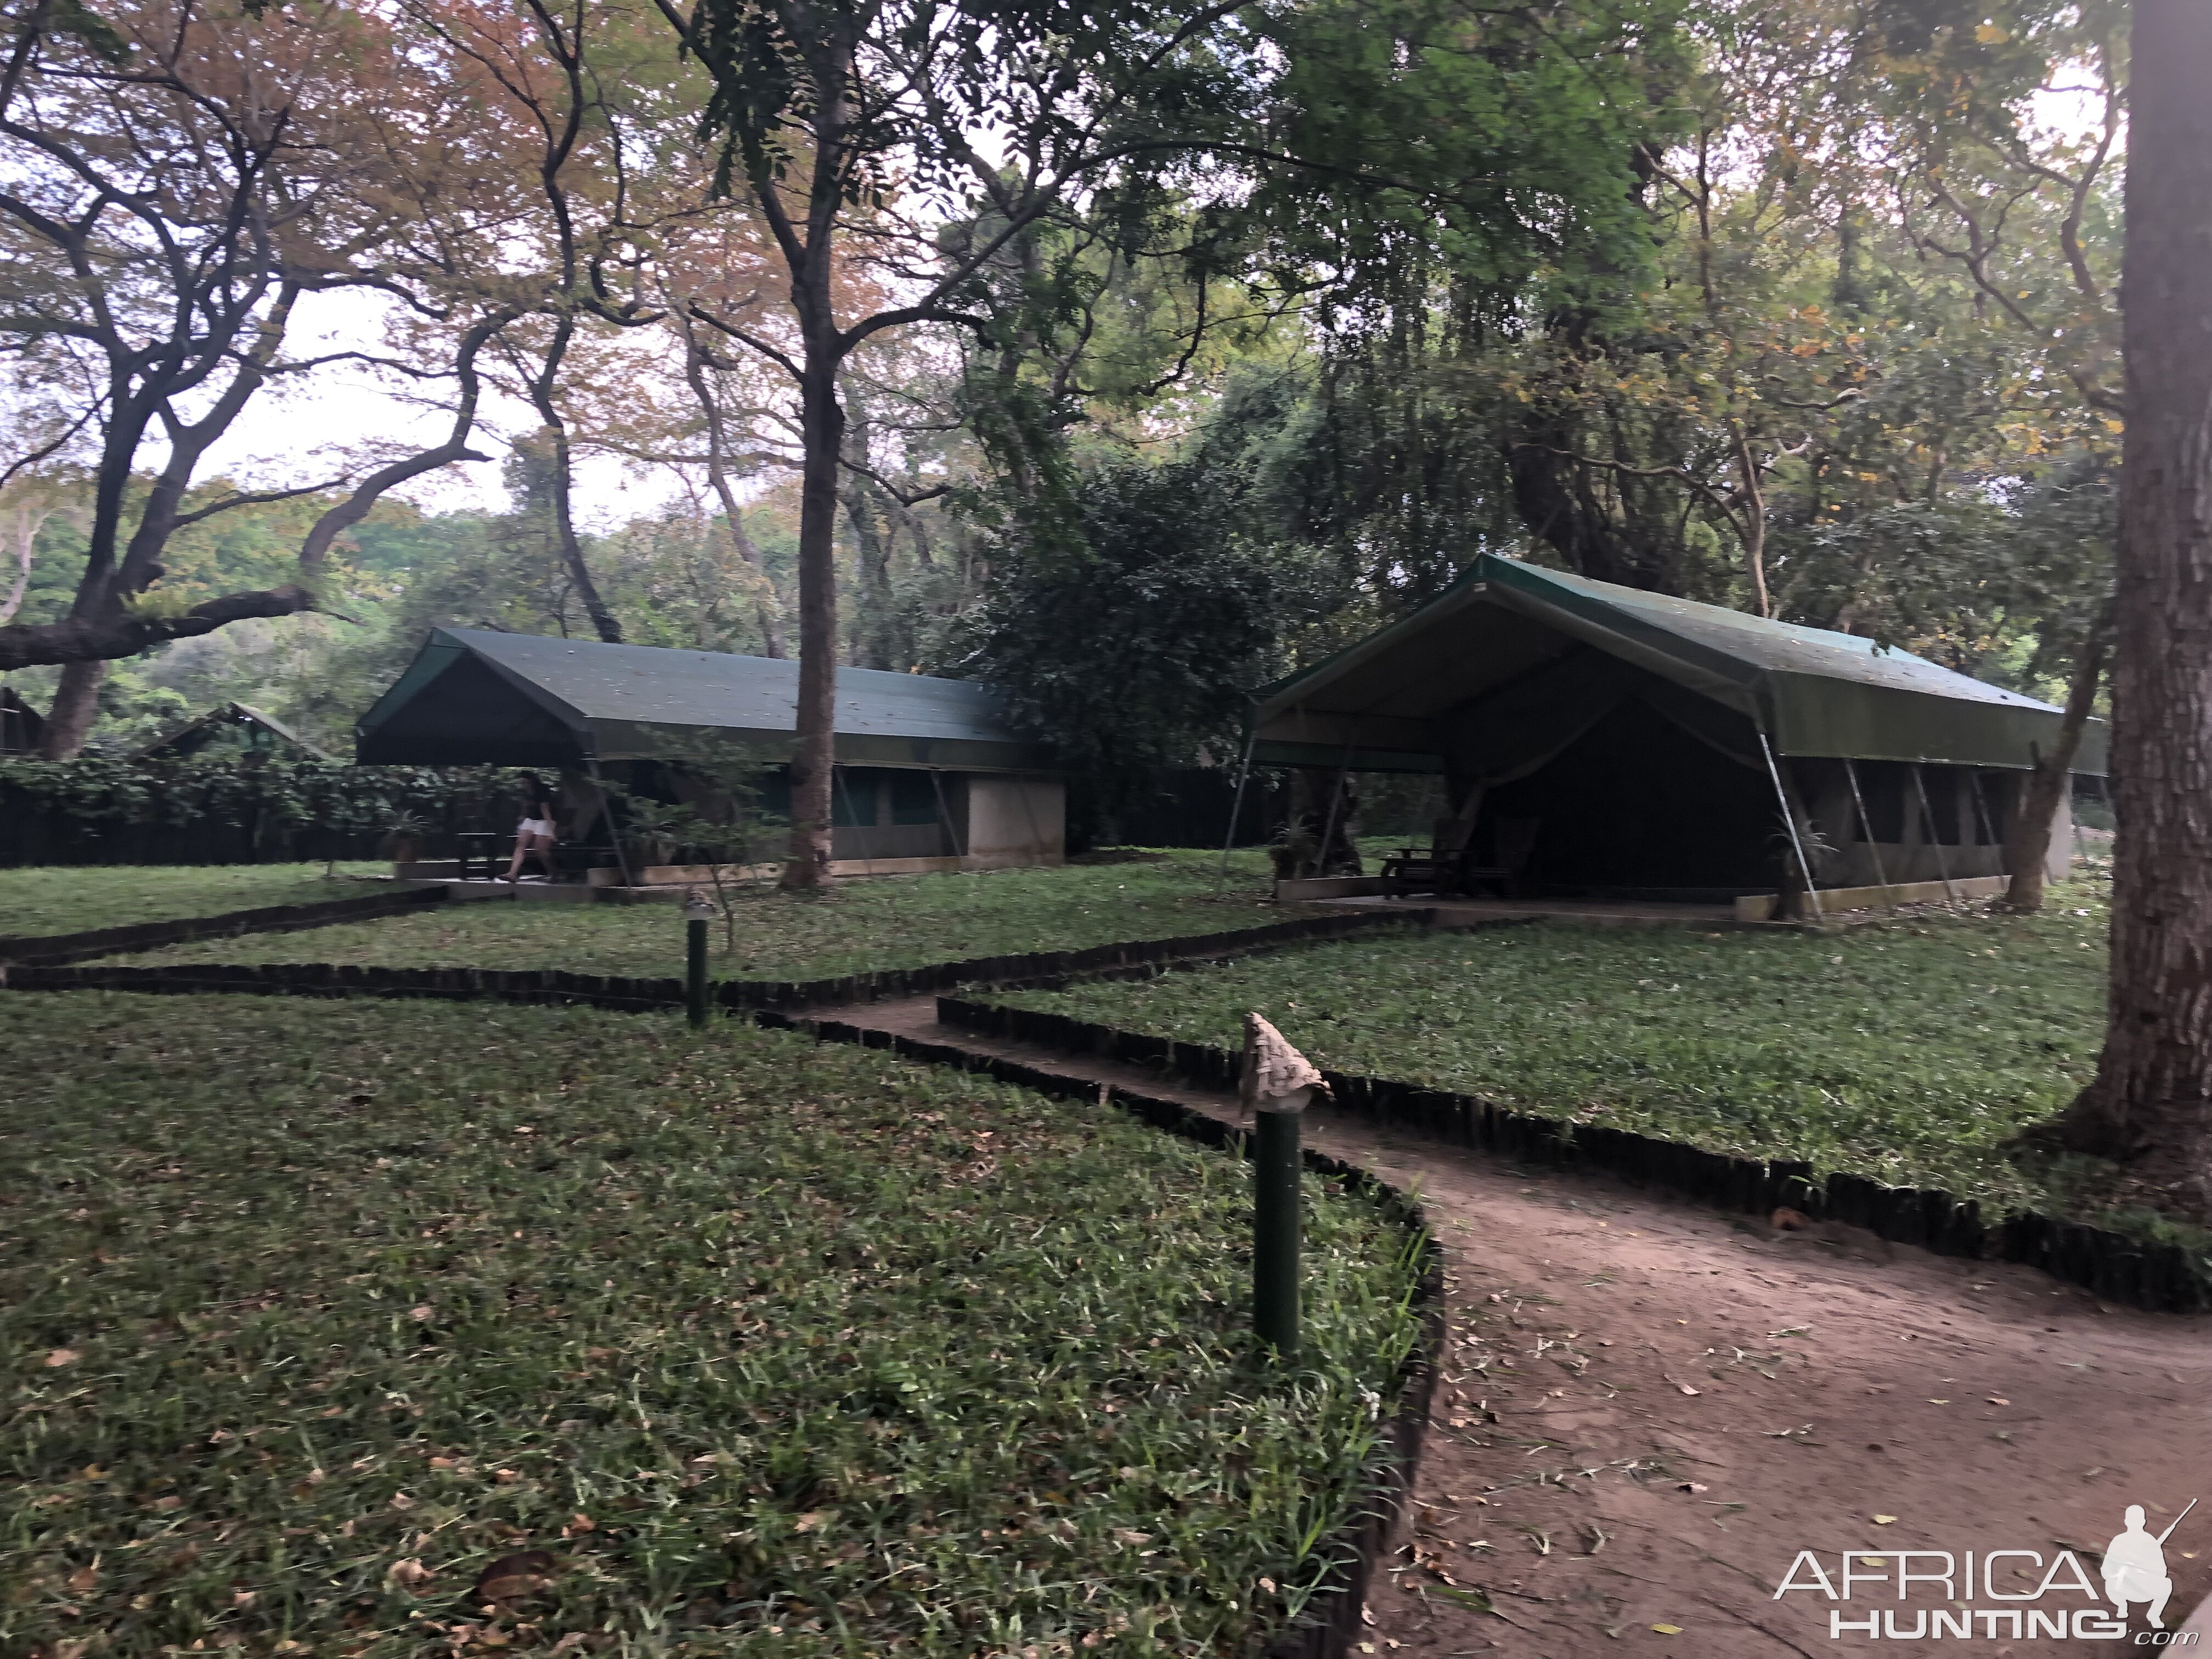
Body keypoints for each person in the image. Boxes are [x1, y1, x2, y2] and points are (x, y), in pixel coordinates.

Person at [2103, 1504, 2175, 1628]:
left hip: (2144, 1588)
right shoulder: (2119, 1540)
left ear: (2143, 1522)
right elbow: (2107, 1568)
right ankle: (2122, 1606)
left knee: (2167, 1584)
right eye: (2132, 1520)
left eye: (2137, 1520)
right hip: (2123, 1587)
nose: (2134, 1523)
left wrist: (2146, 1567)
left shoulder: (2151, 1542)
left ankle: (2154, 1615)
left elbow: (2162, 1571)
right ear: (2126, 1522)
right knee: (2110, 1583)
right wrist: (2119, 1572)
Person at [503, 773, 558, 883]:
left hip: (544, 819)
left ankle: (553, 871)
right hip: (531, 819)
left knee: (540, 849)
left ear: (532, 781)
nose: (523, 785)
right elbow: (526, 804)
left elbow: (545, 809)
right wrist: (523, 816)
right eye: (522, 782)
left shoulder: (542, 790)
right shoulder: (525, 791)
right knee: (521, 843)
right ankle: (512, 873)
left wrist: (551, 830)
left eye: (525, 782)